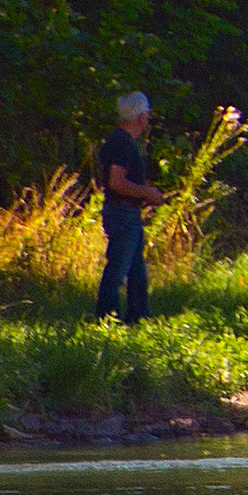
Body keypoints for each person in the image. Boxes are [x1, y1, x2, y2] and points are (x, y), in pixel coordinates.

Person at [91, 91, 166, 324]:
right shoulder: (123, 143)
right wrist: (148, 193)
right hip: (123, 213)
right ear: (141, 117)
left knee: (137, 271)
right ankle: (106, 319)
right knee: (118, 269)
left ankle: (138, 318)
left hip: (125, 212)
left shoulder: (119, 140)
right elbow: (117, 182)